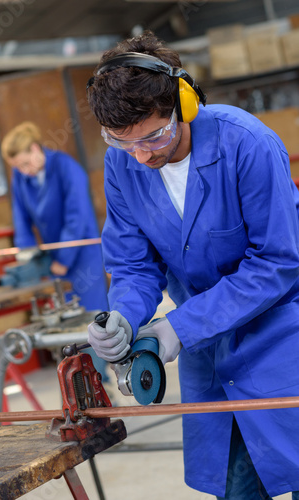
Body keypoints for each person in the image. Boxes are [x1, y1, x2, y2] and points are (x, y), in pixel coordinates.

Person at [86, 31, 299, 499]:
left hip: (283, 334)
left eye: (154, 136)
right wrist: (125, 315)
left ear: (184, 103)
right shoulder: (122, 165)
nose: (142, 155)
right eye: (123, 142)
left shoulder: (247, 145)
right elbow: (133, 264)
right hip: (208, 348)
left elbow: (278, 263)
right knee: (236, 485)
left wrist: (180, 327)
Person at [1, 121, 109, 381]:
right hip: (53, 259)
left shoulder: (67, 168)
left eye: (26, 164)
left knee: (91, 321)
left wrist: (63, 258)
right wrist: (27, 255)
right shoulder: (21, 176)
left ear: (36, 149)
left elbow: (78, 218)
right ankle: (77, 384)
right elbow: (21, 217)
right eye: (18, 168)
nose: (24, 172)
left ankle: (99, 382)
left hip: (81, 255)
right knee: (63, 323)